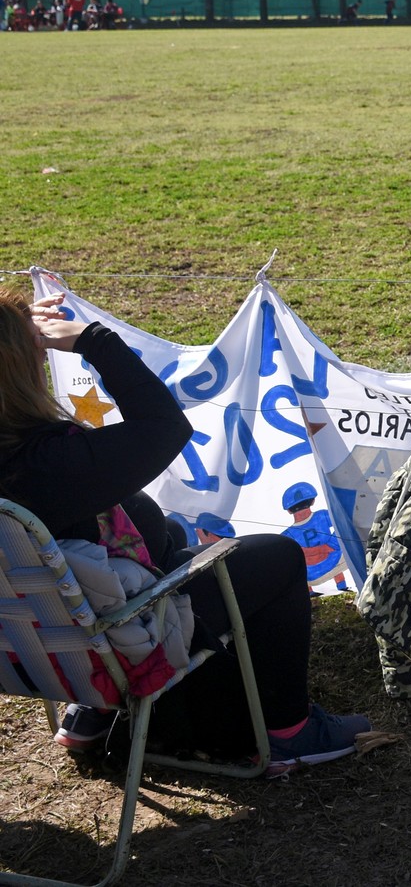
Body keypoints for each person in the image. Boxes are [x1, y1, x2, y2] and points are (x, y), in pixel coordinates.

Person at [0, 290, 370, 776]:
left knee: (157, 523)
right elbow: (164, 427)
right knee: (277, 557)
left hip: (25, 651)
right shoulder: (51, 463)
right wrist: (95, 341)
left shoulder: (39, 467)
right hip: (109, 644)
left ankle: (93, 711)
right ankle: (289, 734)